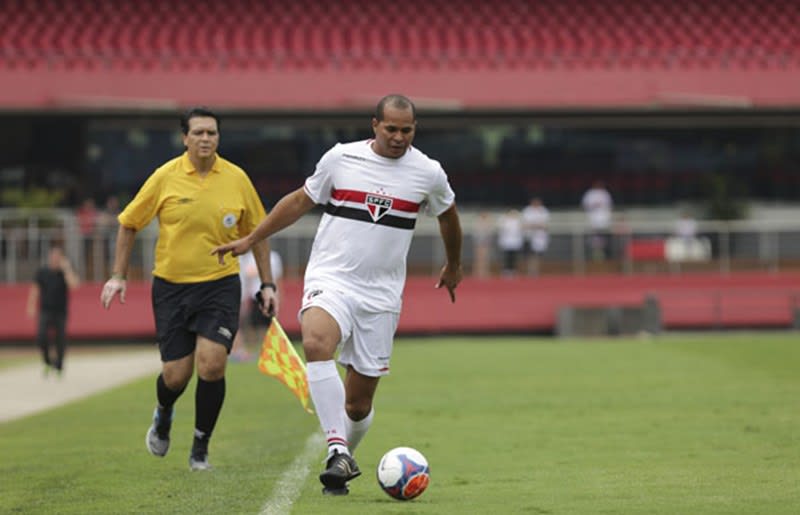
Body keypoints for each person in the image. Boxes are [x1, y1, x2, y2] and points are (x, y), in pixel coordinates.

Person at [211, 94, 462, 496]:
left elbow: (448, 214)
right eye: (391, 128)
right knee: (315, 341)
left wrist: (453, 264)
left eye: (407, 130)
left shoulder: (428, 172)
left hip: (380, 297)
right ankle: (337, 451)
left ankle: (341, 462)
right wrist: (254, 237)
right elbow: (299, 201)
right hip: (332, 277)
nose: (399, 137)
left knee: (358, 405)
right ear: (374, 125)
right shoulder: (340, 159)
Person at [99, 107, 277, 472]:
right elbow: (128, 223)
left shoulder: (237, 178)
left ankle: (200, 447)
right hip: (171, 289)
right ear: (185, 138)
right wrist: (118, 275)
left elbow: (258, 232)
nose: (205, 139)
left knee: (212, 365)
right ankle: (163, 413)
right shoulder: (165, 177)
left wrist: (267, 284)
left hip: (220, 285)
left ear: (218, 137)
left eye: (211, 132)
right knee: (175, 376)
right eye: (198, 133)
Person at [26, 245, 80, 377]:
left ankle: (59, 364)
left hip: (60, 311)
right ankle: (47, 361)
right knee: (41, 336)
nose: (55, 259)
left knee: (60, 339)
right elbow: (35, 289)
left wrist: (67, 268)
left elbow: (74, 285)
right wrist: (31, 305)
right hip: (45, 310)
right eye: (53, 256)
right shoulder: (42, 272)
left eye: (57, 257)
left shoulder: (65, 273)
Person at [230, 249, 284, 362]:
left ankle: (267, 351)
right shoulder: (247, 257)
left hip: (266, 294)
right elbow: (248, 274)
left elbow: (278, 277)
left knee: (267, 325)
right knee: (249, 324)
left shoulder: (273, 257)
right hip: (254, 296)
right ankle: (241, 350)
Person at [581, 180, 613, 261]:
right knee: (593, 242)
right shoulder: (590, 193)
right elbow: (585, 205)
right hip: (592, 221)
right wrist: (595, 205)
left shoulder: (605, 193)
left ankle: (604, 258)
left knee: (604, 241)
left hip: (604, 221)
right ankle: (593, 258)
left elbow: (609, 205)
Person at [521, 197, 550, 276]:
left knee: (538, 255)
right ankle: (531, 270)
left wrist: (534, 225)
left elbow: (545, 225)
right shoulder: (527, 210)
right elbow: (525, 224)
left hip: (540, 237)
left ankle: (536, 270)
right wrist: (536, 225)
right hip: (529, 236)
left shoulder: (543, 210)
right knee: (530, 255)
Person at [496, 209, 524, 276]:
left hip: (515, 243)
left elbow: (520, 231)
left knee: (514, 257)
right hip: (506, 243)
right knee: (506, 257)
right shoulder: (504, 220)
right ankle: (506, 270)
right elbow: (501, 229)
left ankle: (513, 270)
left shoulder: (518, 221)